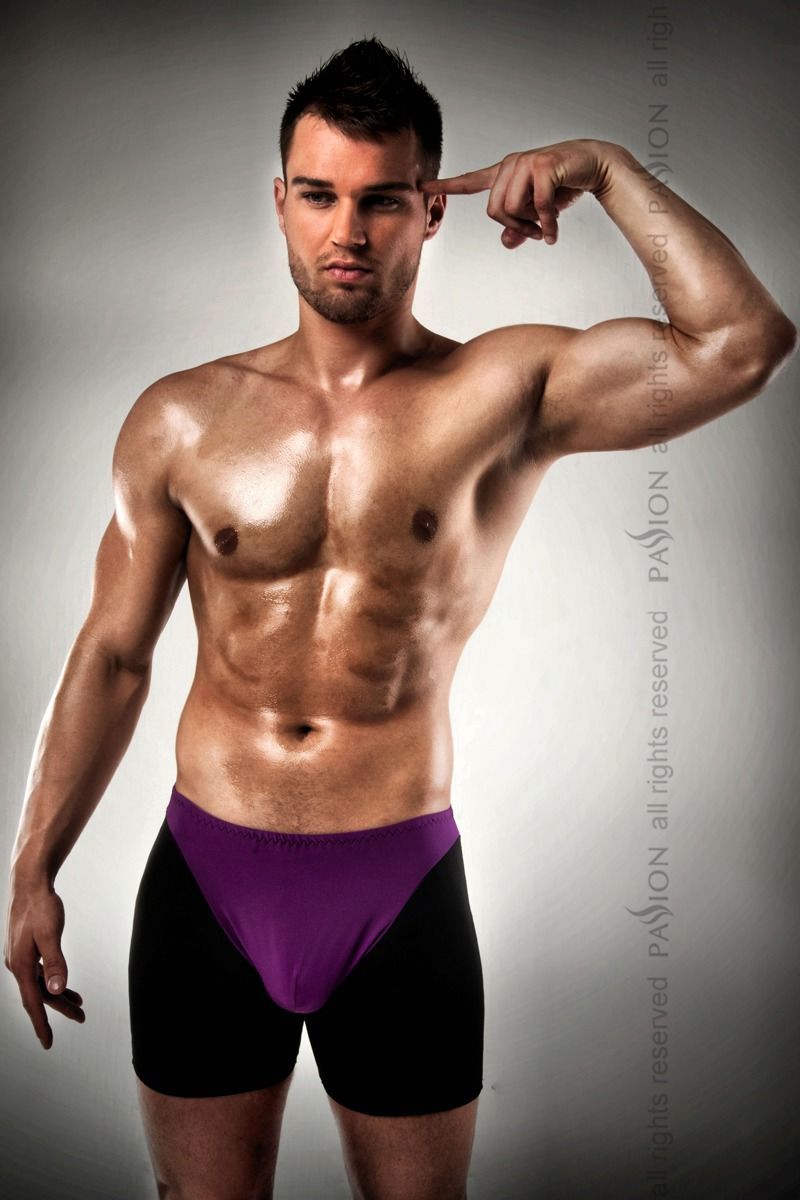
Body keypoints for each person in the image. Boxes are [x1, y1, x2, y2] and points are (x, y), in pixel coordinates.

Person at [4, 34, 795, 1200]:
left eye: (381, 200)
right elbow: (114, 654)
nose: (348, 230)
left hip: (397, 883)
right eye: (318, 195)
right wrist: (33, 863)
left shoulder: (501, 392)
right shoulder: (179, 418)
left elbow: (741, 344)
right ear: (279, 201)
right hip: (207, 874)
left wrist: (605, 168)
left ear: (430, 210)